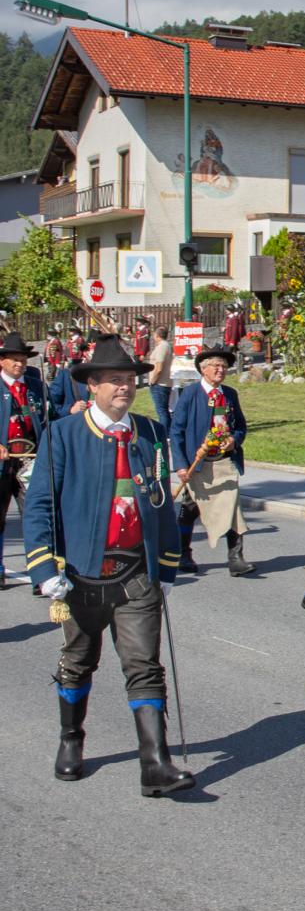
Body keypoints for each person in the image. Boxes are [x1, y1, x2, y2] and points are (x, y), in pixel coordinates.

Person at [23, 332, 191, 796]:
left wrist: (168, 566)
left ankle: (155, 764)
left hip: (136, 573)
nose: (124, 387)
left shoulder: (151, 433)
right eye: (114, 380)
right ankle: (71, 737)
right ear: (92, 386)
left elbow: (162, 504)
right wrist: (44, 569)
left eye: (129, 379)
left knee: (145, 665)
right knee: (79, 661)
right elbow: (40, 507)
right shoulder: (63, 434)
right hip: (81, 574)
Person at [171, 344, 255, 577]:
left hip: (224, 462)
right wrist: (180, 465)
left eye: (224, 366)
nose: (221, 370)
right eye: (216, 366)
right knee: (190, 509)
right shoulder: (190, 394)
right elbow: (176, 431)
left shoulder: (230, 394)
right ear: (203, 369)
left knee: (233, 507)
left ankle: (236, 559)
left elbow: (241, 427)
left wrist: (234, 441)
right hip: (197, 464)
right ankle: (183, 554)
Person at [0, 332, 45, 589]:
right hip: (3, 463)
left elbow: (50, 418)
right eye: (15, 360)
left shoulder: (35, 387)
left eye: (23, 360)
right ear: (2, 361)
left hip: (30, 462)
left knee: (34, 517)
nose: (20, 364)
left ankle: (40, 573)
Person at [146, 324, 173, 428]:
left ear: (157, 335)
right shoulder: (167, 346)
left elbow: (159, 368)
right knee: (164, 410)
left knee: (161, 411)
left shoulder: (162, 347)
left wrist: (152, 381)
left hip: (160, 383)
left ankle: (164, 433)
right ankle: (168, 432)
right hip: (164, 382)